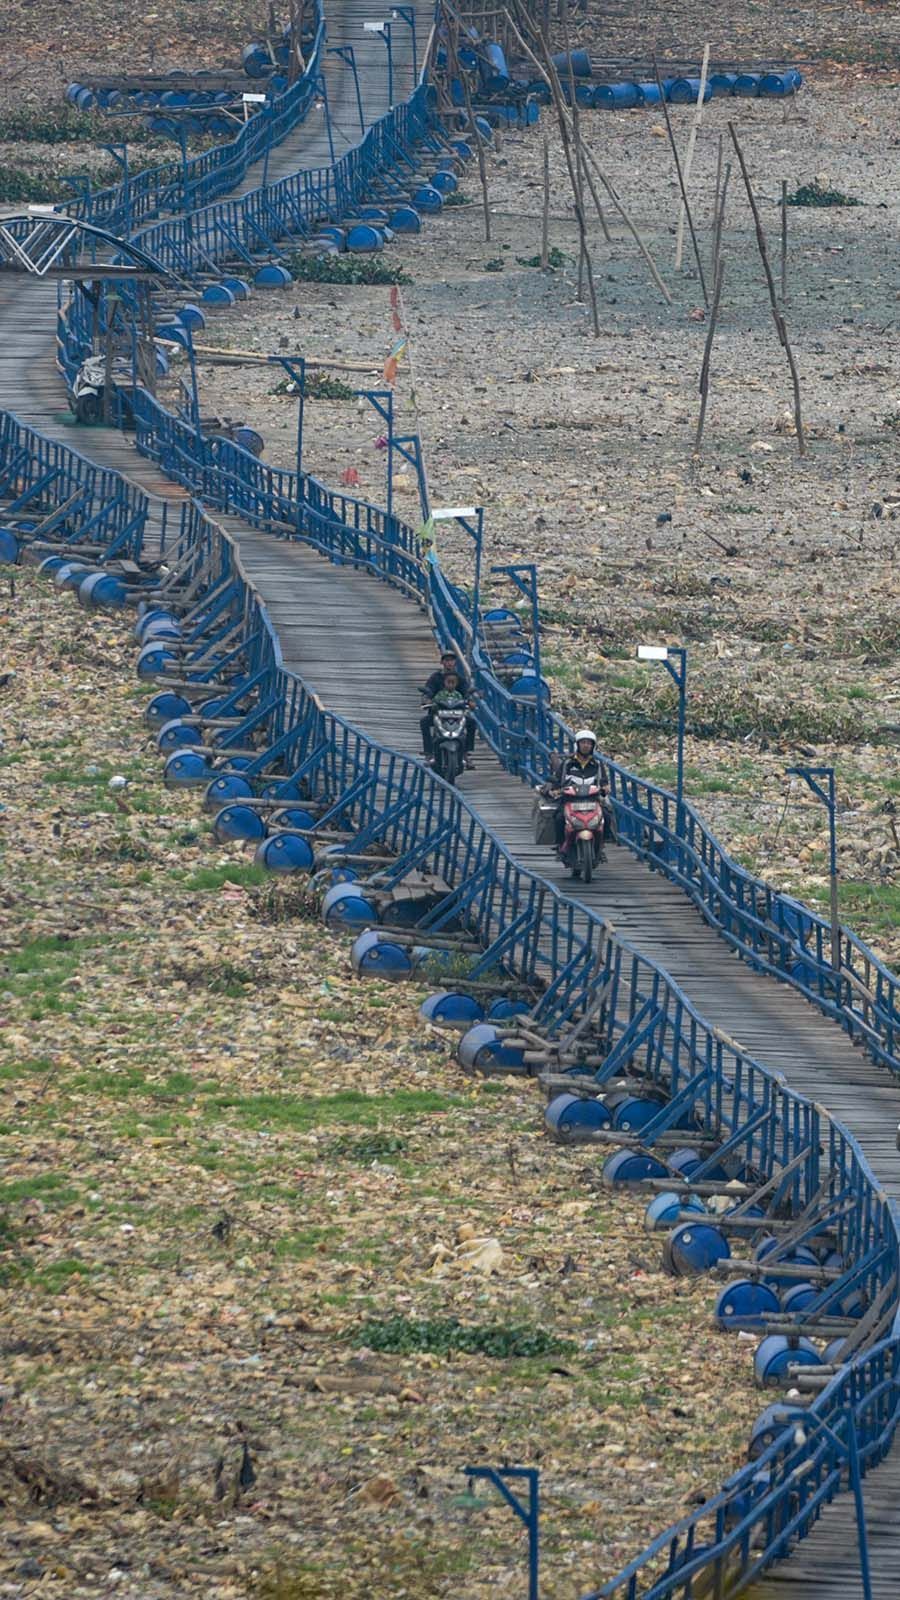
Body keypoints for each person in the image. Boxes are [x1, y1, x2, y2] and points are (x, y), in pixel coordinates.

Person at [549, 729, 614, 860]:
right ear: (577, 745)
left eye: (589, 743)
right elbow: (557, 781)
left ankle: (601, 845)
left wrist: (606, 788)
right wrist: (555, 789)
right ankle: (560, 845)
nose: (586, 745)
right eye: (583, 743)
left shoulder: (597, 764)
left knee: (607, 816)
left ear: (593, 746)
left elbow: (604, 782)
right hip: (570, 801)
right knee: (559, 818)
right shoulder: (567, 763)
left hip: (592, 800)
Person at [421, 652, 476, 767]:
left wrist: (470, 701)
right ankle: (429, 752)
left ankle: (466, 752)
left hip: (456, 713)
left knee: (471, 723)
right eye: (446, 660)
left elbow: (466, 692)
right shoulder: (436, 677)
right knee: (424, 722)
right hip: (439, 713)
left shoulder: (459, 678)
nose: (449, 663)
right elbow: (429, 690)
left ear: (455, 662)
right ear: (442, 662)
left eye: (451, 660)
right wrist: (427, 700)